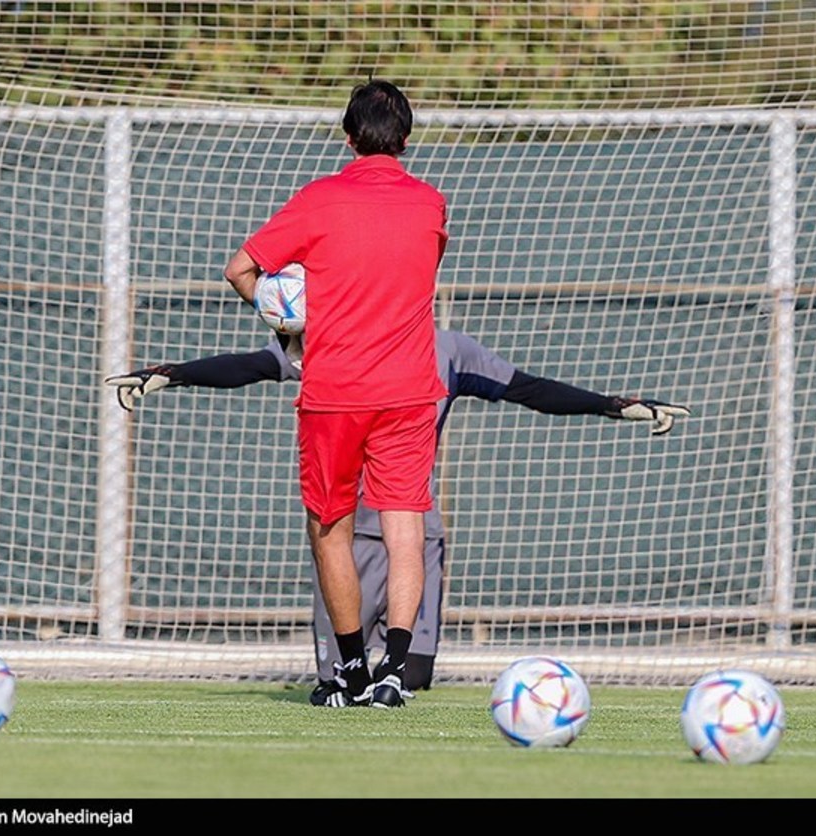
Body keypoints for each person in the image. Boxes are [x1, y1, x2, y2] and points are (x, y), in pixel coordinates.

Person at [106, 330, 690, 704]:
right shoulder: (335, 337)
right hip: (350, 537)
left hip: (417, 534)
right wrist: (174, 372)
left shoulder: (450, 351)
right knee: (343, 684)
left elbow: (530, 389)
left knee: (410, 680)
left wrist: (613, 406)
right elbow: (254, 364)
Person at [219, 79, 449, 708]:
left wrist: (288, 323)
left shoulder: (318, 200)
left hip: (335, 390)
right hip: (407, 390)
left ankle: (349, 672)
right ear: (405, 137)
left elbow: (239, 269)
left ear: (347, 136)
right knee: (407, 530)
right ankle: (395, 672)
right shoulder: (431, 204)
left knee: (331, 531)